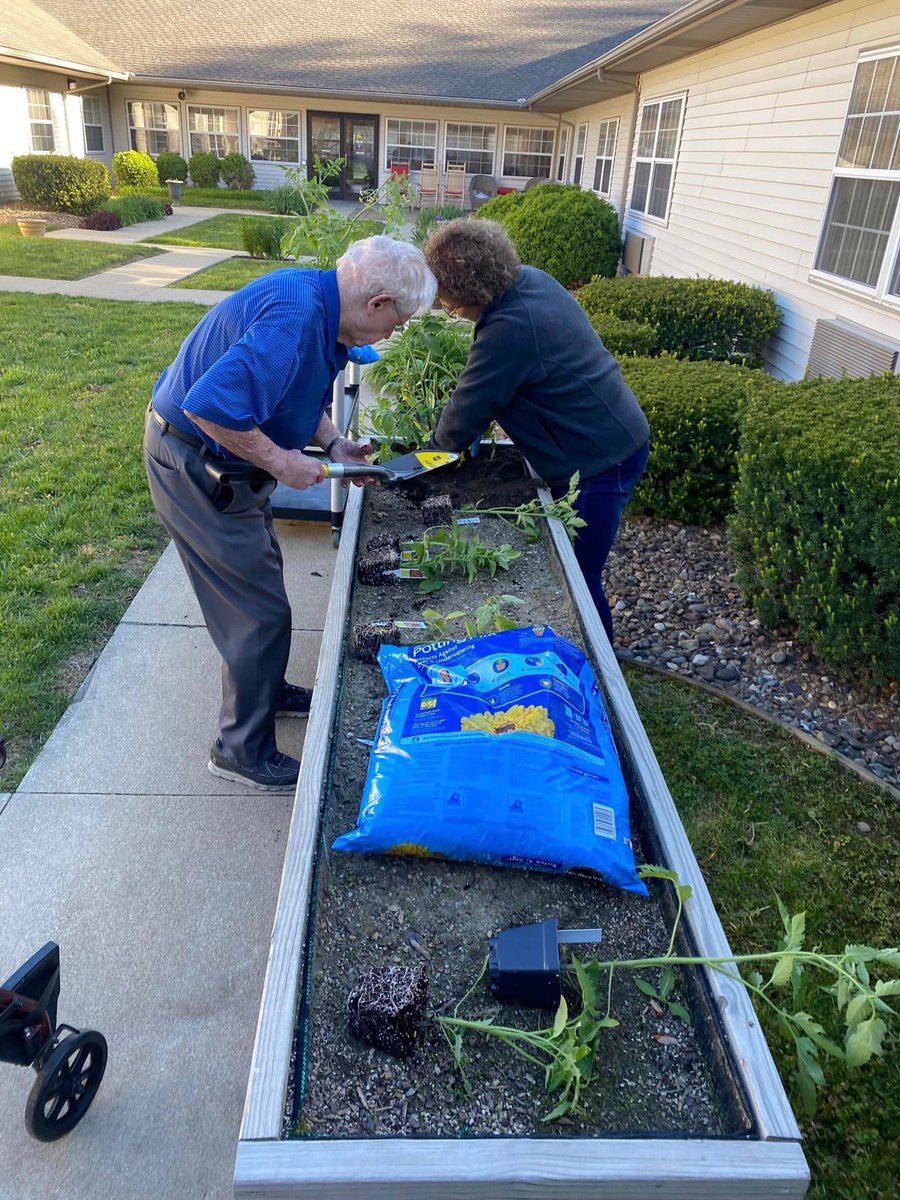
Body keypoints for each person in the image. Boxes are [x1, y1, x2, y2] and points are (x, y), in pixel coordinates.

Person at [144, 236, 437, 791]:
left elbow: (293, 393)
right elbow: (207, 404)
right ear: (375, 304)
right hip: (194, 460)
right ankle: (240, 750)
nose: (390, 335)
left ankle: (267, 690)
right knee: (256, 611)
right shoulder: (294, 320)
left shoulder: (324, 309)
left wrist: (329, 443)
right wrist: (280, 461)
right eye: (394, 323)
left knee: (262, 584)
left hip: (223, 463)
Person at [423, 219, 649, 644]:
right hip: (612, 436)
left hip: (602, 461)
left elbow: (467, 408)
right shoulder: (531, 280)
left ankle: (600, 674)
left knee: (576, 578)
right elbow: (490, 391)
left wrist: (430, 462)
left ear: (472, 293)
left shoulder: (510, 328)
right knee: (575, 570)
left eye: (449, 304)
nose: (450, 311)